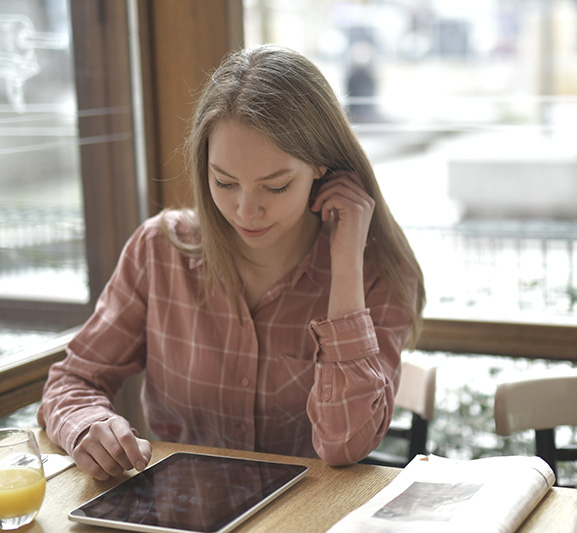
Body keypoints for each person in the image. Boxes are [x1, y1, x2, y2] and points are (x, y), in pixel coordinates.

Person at [37, 44, 425, 481]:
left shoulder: (377, 274)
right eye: (224, 182)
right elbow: (73, 381)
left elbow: (345, 444)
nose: (245, 210)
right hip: (179, 510)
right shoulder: (159, 251)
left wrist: (347, 267)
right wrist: (89, 426)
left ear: (323, 165)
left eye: (275, 187)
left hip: (305, 520)